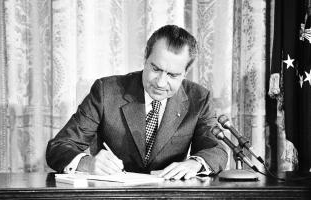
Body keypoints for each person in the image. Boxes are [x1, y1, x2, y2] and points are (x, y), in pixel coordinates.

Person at [46, 25, 228, 180]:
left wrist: (194, 164)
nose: (160, 82)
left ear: (185, 73)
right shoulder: (106, 91)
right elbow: (58, 147)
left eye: (172, 75)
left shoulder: (199, 98)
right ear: (145, 59)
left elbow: (216, 150)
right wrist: (87, 163)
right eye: (155, 69)